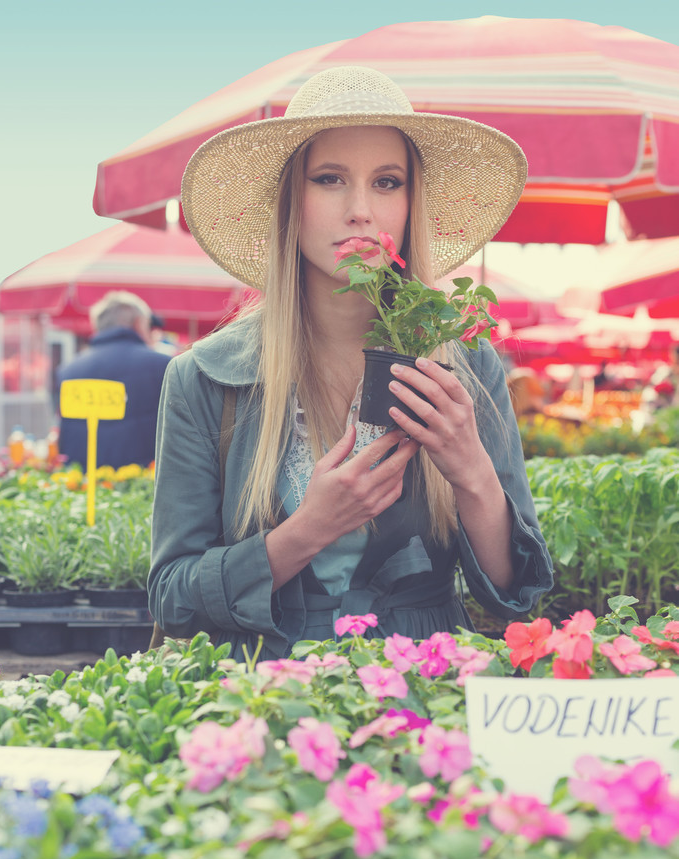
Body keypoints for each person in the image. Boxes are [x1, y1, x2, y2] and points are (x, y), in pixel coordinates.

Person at [148, 66, 553, 659]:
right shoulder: (203, 378)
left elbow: (515, 597)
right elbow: (171, 598)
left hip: (423, 690)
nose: (361, 209)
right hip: (262, 696)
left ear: (412, 204)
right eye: (330, 178)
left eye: (387, 182)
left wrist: (472, 472)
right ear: (292, 200)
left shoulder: (467, 365)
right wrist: (306, 531)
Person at [56, 291, 172, 469]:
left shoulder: (68, 371)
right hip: (143, 479)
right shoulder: (164, 366)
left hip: (82, 480)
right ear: (138, 323)